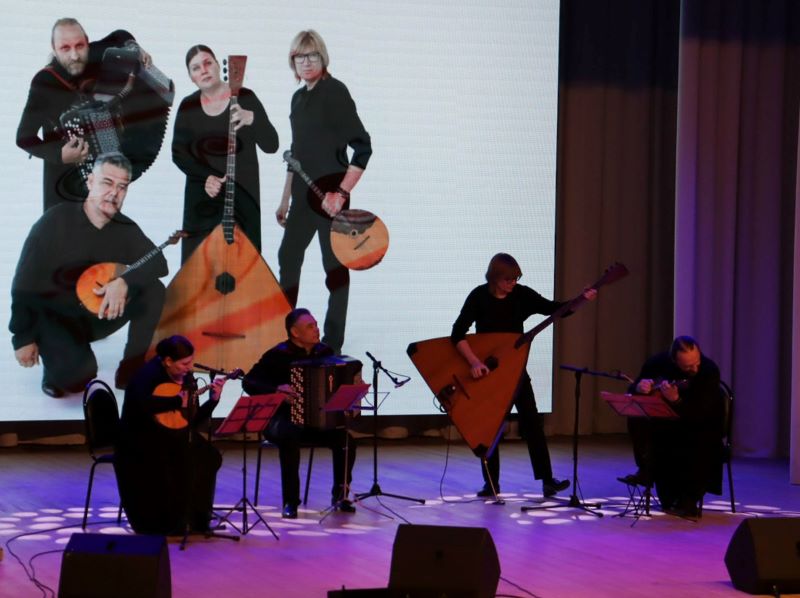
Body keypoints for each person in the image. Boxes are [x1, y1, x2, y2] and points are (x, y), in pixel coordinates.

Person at [9, 152, 167, 396]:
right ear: (90, 181)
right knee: (77, 379)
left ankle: (131, 369)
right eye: (107, 182)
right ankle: (58, 362)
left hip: (97, 313)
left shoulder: (125, 228)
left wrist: (124, 281)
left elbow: (158, 263)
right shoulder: (55, 221)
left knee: (154, 289)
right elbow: (23, 285)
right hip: (56, 318)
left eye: (122, 187)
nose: (114, 193)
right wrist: (22, 338)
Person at [451, 253, 596, 498]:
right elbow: (457, 333)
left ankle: (547, 481)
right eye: (508, 279)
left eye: (516, 278)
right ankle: (491, 484)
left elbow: (554, 309)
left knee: (532, 423)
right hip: (488, 374)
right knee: (491, 427)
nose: (513, 283)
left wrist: (581, 300)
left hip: (515, 371)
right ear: (495, 277)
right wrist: (474, 362)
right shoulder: (478, 297)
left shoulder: (521, 295)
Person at [276, 30, 372, 354]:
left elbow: (363, 148)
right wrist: (285, 199)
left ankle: (332, 343)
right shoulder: (297, 99)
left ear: (323, 58)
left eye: (312, 56)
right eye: (299, 57)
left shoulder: (335, 92)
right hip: (302, 195)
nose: (306, 62)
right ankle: (286, 335)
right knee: (288, 256)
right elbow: (296, 152)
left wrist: (341, 194)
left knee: (334, 268)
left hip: (332, 194)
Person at [16, 18, 153, 211]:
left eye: (79, 46)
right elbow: (24, 137)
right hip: (61, 181)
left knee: (103, 227)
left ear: (87, 42)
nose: (74, 55)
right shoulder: (44, 83)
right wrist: (59, 155)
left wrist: (134, 47)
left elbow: (120, 35)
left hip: (102, 179)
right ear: (54, 49)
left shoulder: (95, 55)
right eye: (65, 48)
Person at [243, 308, 357, 519]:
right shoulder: (277, 355)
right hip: (281, 420)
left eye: (316, 325)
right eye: (310, 326)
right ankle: (290, 501)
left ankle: (340, 495)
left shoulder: (324, 352)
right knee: (290, 436)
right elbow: (249, 382)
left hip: (314, 421)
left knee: (345, 440)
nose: (316, 330)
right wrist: (276, 390)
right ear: (295, 332)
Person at [172, 45, 279, 262]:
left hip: (242, 199)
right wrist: (206, 177)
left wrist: (253, 119)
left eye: (207, 63)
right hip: (203, 198)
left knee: (244, 268)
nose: (203, 70)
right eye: (196, 68)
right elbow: (179, 153)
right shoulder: (188, 106)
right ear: (191, 77)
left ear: (218, 65)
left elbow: (272, 145)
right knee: (198, 270)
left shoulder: (245, 97)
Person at [115, 335, 229, 535]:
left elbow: (192, 421)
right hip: (141, 438)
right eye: (184, 363)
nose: (189, 367)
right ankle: (170, 522)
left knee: (209, 457)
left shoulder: (187, 378)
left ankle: (197, 519)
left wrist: (213, 400)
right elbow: (142, 407)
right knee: (177, 459)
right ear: (168, 361)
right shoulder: (146, 376)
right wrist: (176, 401)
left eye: (191, 362)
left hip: (172, 434)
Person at [622, 335, 724, 517]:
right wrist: (639, 387)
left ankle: (689, 497)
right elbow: (634, 388)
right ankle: (646, 468)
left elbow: (702, 411)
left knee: (697, 440)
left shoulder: (708, 370)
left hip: (699, 427)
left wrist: (676, 400)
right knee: (637, 418)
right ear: (674, 360)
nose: (694, 368)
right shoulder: (657, 363)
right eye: (687, 366)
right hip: (665, 426)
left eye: (697, 362)